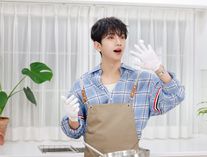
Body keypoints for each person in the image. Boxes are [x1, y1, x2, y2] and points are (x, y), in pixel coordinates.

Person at [61, 17, 185, 156]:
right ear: (98, 46)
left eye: (122, 37)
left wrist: (159, 69)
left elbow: (176, 96)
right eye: (111, 37)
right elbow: (74, 132)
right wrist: (73, 119)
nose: (119, 42)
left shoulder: (143, 80)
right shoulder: (83, 84)